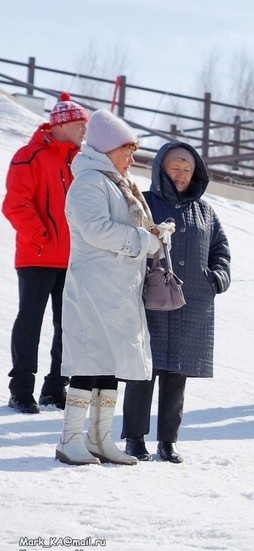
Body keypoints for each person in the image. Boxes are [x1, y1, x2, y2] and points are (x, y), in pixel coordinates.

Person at [57, 109, 173, 466]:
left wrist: (156, 234)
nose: (132, 159)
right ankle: (70, 439)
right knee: (89, 359)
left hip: (117, 289)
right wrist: (142, 241)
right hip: (94, 288)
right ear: (107, 149)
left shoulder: (116, 182)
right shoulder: (89, 182)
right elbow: (96, 230)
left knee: (110, 360)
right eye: (127, 150)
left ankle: (100, 438)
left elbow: (125, 227)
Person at [121, 142, 231, 463]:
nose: (181, 175)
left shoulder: (205, 211)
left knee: (177, 373)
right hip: (150, 298)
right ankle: (134, 438)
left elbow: (220, 248)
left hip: (190, 300)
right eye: (175, 169)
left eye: (187, 169)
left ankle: (168, 441)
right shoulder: (144, 203)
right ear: (161, 170)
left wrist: (217, 278)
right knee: (143, 370)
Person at [3, 93, 88, 413]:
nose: (84, 130)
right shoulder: (30, 155)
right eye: (80, 124)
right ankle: (21, 390)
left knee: (70, 326)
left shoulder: (83, 161)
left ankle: (55, 388)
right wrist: (41, 237)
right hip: (36, 257)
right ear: (62, 124)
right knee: (30, 322)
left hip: (74, 260)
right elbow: (15, 204)